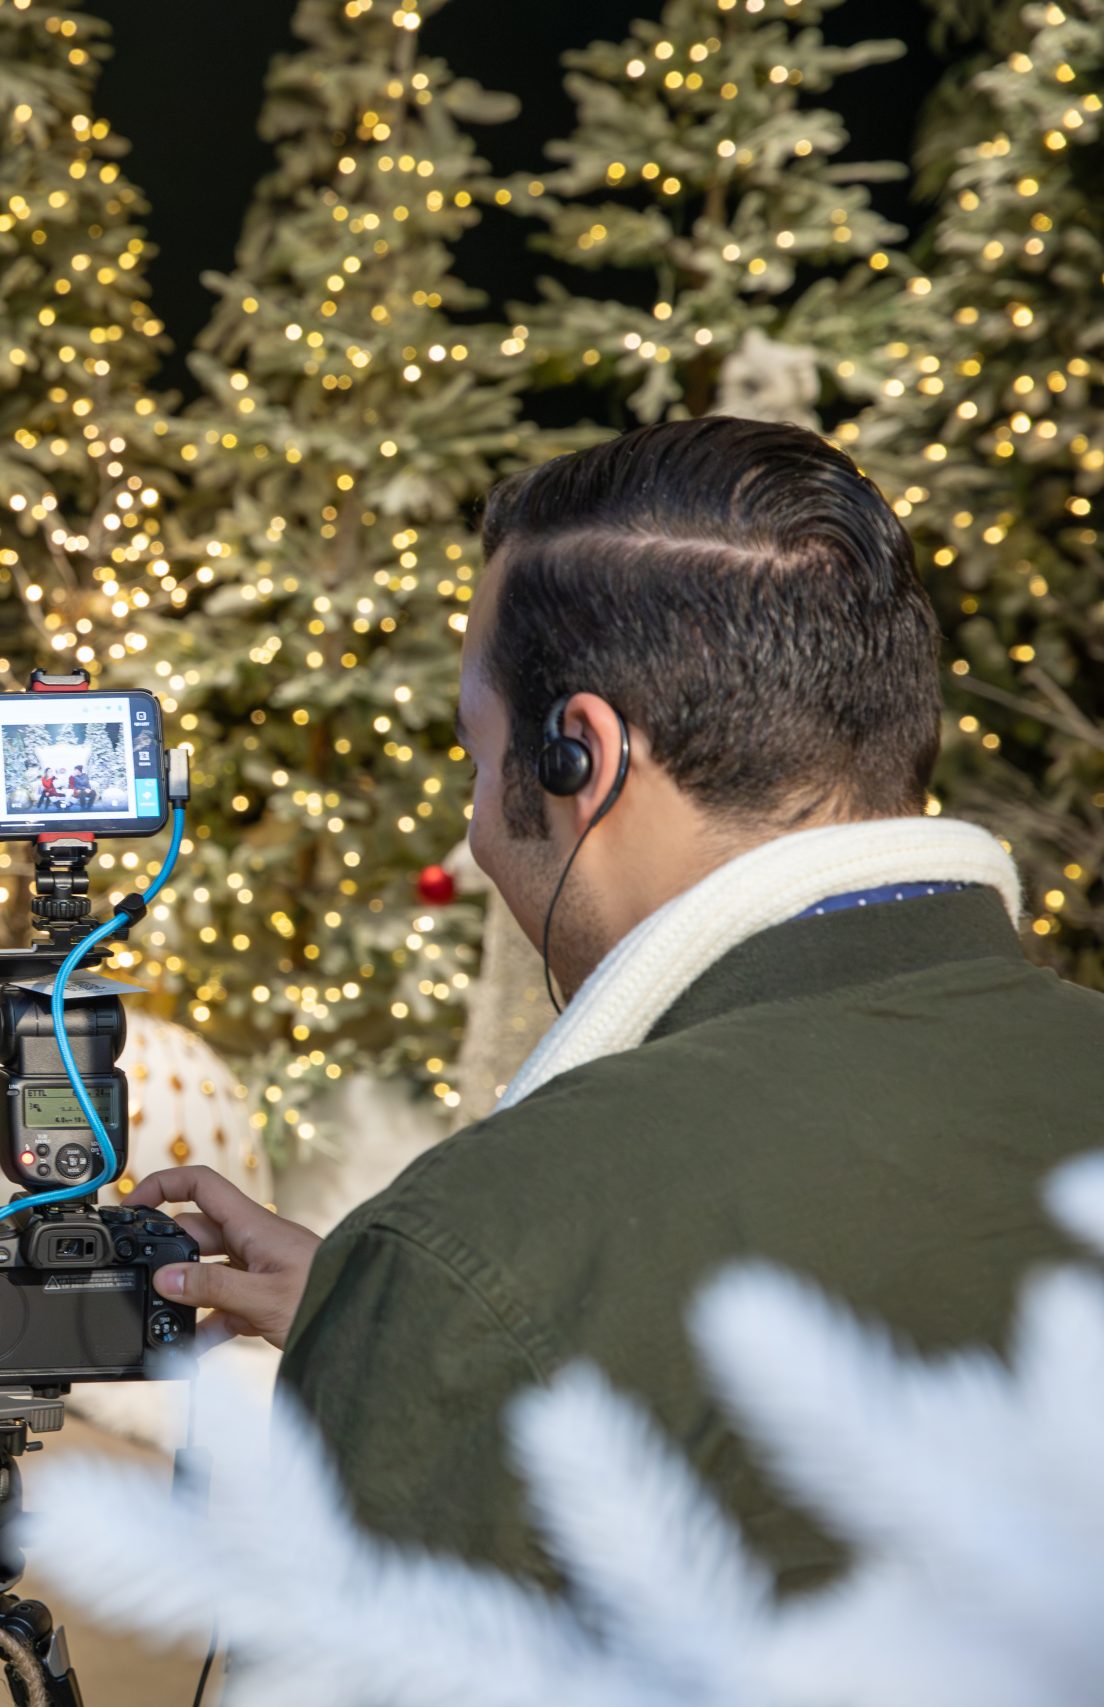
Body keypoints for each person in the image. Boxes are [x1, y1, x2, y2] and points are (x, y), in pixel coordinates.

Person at [135, 417, 1104, 1590]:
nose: (475, 829)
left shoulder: (490, 1240)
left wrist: (443, 1310)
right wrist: (381, 1317)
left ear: (575, 757)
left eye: (477, 757)